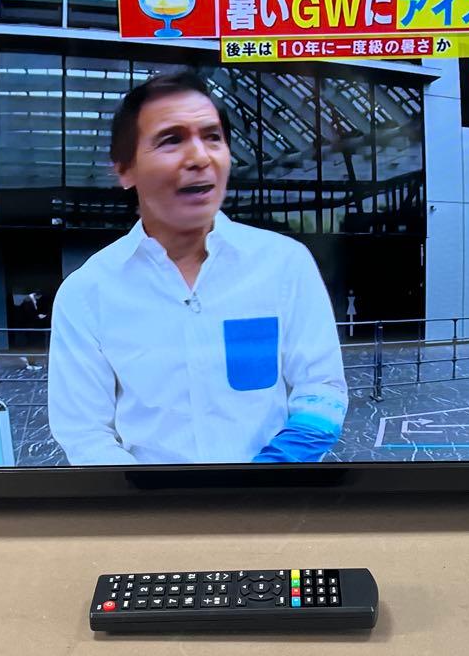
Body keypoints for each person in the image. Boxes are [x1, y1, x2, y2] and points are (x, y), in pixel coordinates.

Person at [47, 70, 348, 465]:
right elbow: (84, 432)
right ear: (124, 169)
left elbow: (323, 390)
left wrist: (265, 478)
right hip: (150, 502)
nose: (200, 158)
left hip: (275, 496)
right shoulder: (87, 292)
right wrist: (157, 497)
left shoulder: (285, 264)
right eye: (171, 140)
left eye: (212, 137)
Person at [15, 291, 49, 371]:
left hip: (30, 327)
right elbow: (29, 316)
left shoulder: (29, 300)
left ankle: (31, 361)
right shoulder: (28, 301)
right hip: (29, 327)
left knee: (31, 343)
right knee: (32, 344)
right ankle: (31, 363)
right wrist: (38, 317)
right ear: (37, 295)